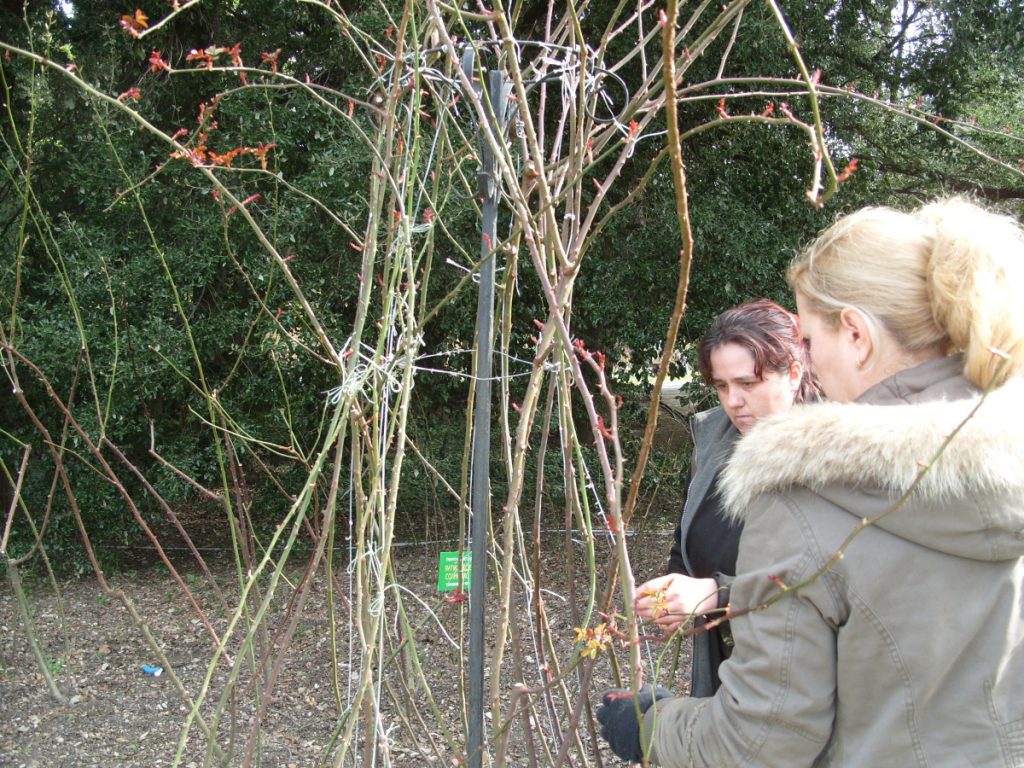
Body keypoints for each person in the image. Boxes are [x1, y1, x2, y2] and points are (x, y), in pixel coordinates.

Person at [598, 197, 1024, 766]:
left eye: (811, 343)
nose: (810, 361)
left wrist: (652, 725)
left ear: (855, 334)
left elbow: (759, 743)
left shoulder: (809, 495)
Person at [634, 298, 815, 698]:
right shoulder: (713, 440)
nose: (733, 401)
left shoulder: (832, 454)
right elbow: (690, 533)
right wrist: (676, 590)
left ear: (794, 374)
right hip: (724, 656)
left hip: (799, 674)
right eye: (722, 386)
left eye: (748, 384)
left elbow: (830, 576)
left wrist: (717, 594)